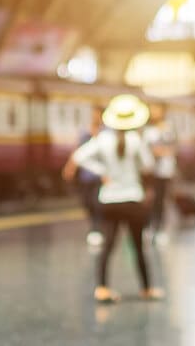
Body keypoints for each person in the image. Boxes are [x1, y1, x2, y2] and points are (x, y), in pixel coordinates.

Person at [70, 94, 165, 303]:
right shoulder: (135, 140)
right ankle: (146, 289)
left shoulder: (103, 139)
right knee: (138, 247)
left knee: (107, 247)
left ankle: (102, 288)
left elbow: (79, 157)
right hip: (132, 199)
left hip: (109, 199)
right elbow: (148, 166)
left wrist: (102, 171)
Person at [61, 104, 105, 246]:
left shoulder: (106, 134)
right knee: (87, 202)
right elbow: (78, 151)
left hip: (101, 176)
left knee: (97, 202)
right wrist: (71, 167)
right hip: (86, 175)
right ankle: (94, 227)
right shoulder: (84, 132)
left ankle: (97, 229)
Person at [142, 104, 177, 242]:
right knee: (150, 199)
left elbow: (173, 147)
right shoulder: (148, 130)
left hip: (165, 171)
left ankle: (160, 228)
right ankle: (150, 226)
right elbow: (148, 149)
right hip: (150, 171)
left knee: (162, 200)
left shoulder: (169, 128)